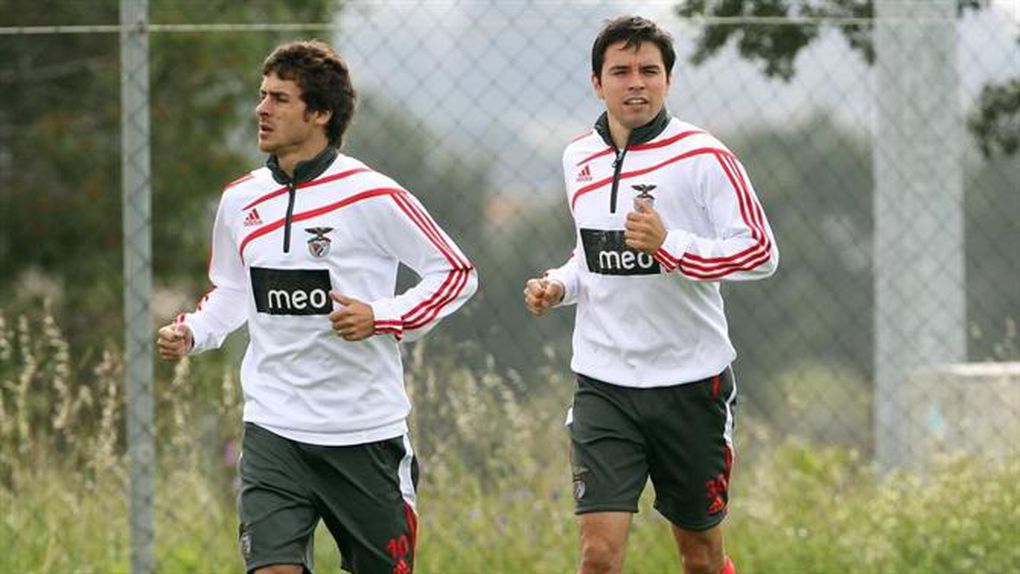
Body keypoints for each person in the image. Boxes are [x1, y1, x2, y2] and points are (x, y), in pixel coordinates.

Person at [156, 40, 477, 574]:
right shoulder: (240, 199)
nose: (261, 109)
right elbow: (233, 290)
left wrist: (382, 316)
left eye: (280, 99)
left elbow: (456, 273)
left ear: (321, 113)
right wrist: (195, 331)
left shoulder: (373, 195)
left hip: (364, 435)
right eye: (262, 95)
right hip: (274, 429)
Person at [523, 16, 778, 574]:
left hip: (691, 385)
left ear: (668, 80)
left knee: (701, 558)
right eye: (621, 71)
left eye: (649, 70)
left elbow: (760, 252)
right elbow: (591, 254)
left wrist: (671, 245)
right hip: (604, 385)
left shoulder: (704, 156)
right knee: (597, 556)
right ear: (597, 83)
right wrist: (559, 285)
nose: (635, 82)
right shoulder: (577, 157)